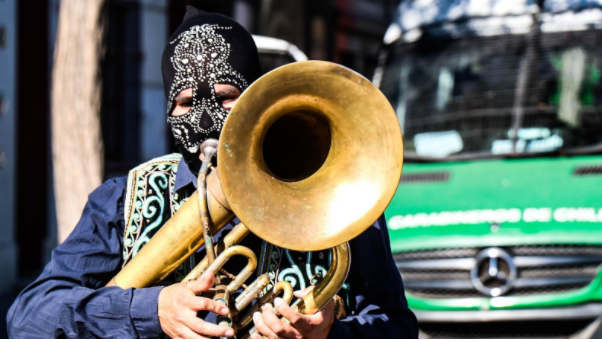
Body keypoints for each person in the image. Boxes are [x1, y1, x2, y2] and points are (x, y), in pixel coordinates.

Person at [7, 8, 418, 339]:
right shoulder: (120, 200)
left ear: (258, 97)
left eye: (225, 96)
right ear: (169, 110)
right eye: (185, 103)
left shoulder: (341, 194)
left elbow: (397, 327)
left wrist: (332, 332)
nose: (204, 118)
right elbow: (27, 320)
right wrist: (152, 311)